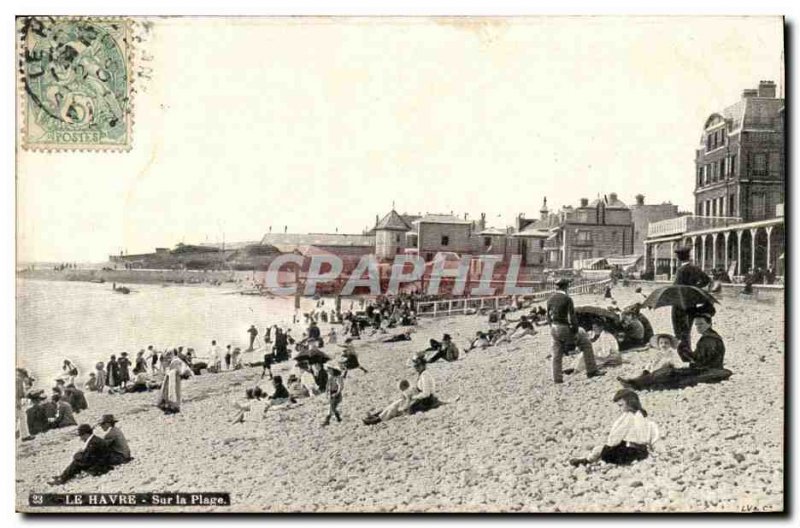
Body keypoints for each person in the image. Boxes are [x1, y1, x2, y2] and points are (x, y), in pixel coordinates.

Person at [618, 314, 730, 391]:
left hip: (707, 370)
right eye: (696, 325)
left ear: (709, 324)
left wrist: (686, 352)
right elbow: (699, 358)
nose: (697, 327)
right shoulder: (710, 337)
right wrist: (685, 352)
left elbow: (700, 361)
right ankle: (636, 382)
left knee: (670, 373)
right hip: (707, 367)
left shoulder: (709, 340)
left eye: (700, 324)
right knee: (669, 371)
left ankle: (637, 384)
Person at [569, 389, 659, 466]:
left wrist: (608, 446)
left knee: (599, 449)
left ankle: (587, 461)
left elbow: (616, 438)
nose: (620, 408)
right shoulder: (641, 415)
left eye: (621, 405)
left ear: (629, 403)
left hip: (630, 452)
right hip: (642, 452)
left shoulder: (629, 417)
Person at [546, 278, 603, 383]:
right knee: (586, 343)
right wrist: (575, 332)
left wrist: (552, 327)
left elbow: (548, 317)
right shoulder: (567, 299)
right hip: (564, 328)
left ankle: (557, 378)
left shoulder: (550, 299)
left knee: (556, 353)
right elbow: (572, 318)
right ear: (566, 287)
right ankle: (591, 371)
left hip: (554, 328)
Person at [672, 245, 711, 361]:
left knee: (679, 331)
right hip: (691, 304)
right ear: (688, 256)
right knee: (687, 329)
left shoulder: (680, 271)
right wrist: (694, 288)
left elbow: (676, 288)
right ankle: (688, 353)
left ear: (679, 258)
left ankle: (685, 355)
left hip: (679, 304)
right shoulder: (695, 268)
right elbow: (706, 280)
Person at [48, 424, 115, 485]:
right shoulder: (95, 440)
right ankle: (63, 476)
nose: (81, 438)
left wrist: (77, 455)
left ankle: (62, 479)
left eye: (81, 436)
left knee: (77, 462)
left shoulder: (93, 443)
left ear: (86, 434)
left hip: (100, 467)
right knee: (79, 460)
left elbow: (86, 459)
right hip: (101, 463)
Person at [322, 361, 345, 426]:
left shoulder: (338, 377)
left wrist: (336, 393)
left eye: (329, 370)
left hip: (336, 394)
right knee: (333, 408)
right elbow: (327, 385)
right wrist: (327, 392)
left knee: (332, 407)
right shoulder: (331, 377)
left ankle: (327, 421)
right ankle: (338, 419)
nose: (328, 371)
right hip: (331, 393)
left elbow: (340, 387)